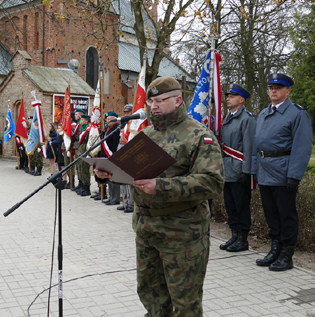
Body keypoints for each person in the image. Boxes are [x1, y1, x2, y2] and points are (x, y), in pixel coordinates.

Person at [94, 76, 224, 316]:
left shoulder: (197, 135)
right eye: (150, 100)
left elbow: (212, 183)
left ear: (177, 100)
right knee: (151, 297)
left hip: (182, 233)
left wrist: (161, 187)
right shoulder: (148, 135)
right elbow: (134, 174)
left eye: (159, 100)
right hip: (146, 230)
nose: (152, 106)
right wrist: (108, 174)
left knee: (185, 302)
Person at [252, 73, 313, 271]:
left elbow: (302, 146)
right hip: (265, 171)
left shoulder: (297, 113)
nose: (274, 90)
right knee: (271, 214)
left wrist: (294, 175)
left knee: (286, 214)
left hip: (283, 172)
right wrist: (254, 170)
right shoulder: (263, 113)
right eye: (271, 87)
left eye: (278, 87)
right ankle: (275, 248)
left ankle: (287, 253)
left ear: (288, 91)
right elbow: (257, 144)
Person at [219, 84, 256, 252]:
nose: (228, 98)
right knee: (230, 205)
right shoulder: (227, 118)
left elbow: (250, 147)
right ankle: (234, 235)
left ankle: (243, 239)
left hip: (239, 170)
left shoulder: (247, 118)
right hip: (227, 170)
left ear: (241, 100)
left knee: (241, 206)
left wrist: (247, 171)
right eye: (227, 95)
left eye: (232, 96)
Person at [116, 103, 135, 213]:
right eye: (125, 112)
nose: (127, 114)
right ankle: (126, 202)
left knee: (129, 180)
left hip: (130, 154)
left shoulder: (135, 125)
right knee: (123, 180)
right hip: (121, 152)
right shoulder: (124, 124)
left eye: (129, 112)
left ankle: (131, 203)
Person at [100, 111, 121, 206]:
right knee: (109, 177)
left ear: (114, 119)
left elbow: (116, 143)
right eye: (107, 119)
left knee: (114, 178)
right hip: (106, 155)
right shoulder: (108, 128)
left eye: (108, 119)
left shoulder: (117, 128)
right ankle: (111, 197)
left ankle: (115, 198)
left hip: (112, 155)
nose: (106, 120)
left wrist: (113, 155)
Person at [76, 113, 91, 196]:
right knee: (80, 169)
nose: (80, 121)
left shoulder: (88, 128)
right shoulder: (81, 127)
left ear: (86, 120)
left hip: (85, 149)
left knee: (85, 169)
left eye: (82, 119)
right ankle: (82, 185)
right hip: (80, 149)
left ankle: (87, 187)